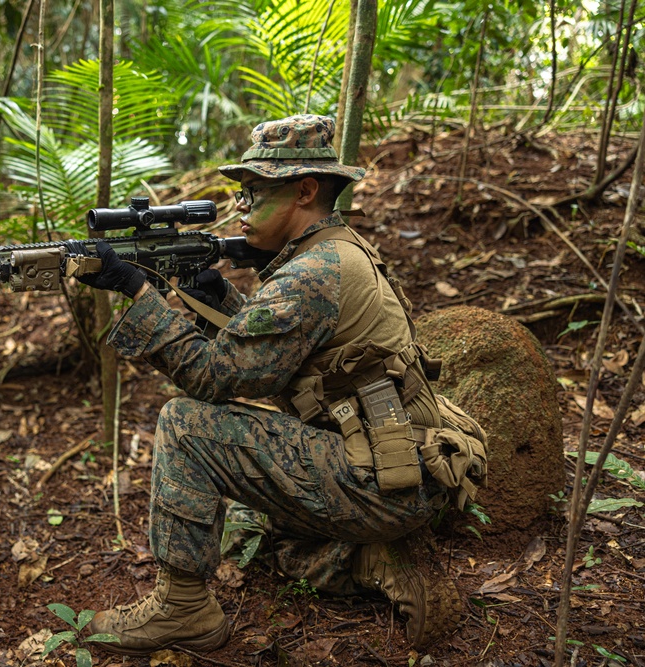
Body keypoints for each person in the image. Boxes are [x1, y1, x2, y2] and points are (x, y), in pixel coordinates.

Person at [77, 115, 486, 656]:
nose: (241, 209)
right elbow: (282, 355)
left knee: (184, 426)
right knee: (250, 526)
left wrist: (136, 289)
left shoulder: (309, 275)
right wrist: (218, 296)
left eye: (253, 194)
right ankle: (372, 557)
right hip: (400, 469)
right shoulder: (338, 251)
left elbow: (212, 377)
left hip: (379, 480)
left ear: (306, 191)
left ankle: (184, 610)